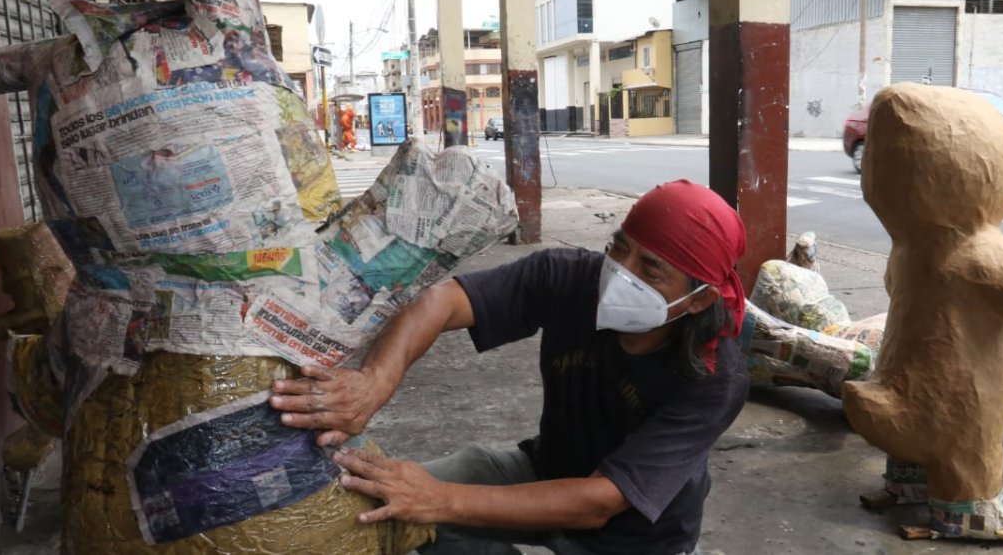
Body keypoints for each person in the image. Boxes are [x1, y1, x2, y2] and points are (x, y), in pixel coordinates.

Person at [269, 179, 750, 555]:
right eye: (620, 247)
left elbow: (600, 501)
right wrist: (374, 382)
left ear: (700, 298)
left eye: (650, 269)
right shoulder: (570, 278)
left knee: (427, 502)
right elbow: (442, 300)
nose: (622, 272)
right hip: (542, 469)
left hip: (637, 540)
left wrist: (440, 499)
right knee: (384, 504)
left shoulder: (714, 377)